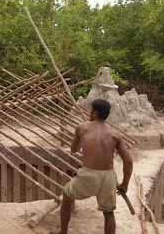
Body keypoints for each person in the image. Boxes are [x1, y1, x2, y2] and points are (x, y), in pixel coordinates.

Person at [51, 99, 133, 234]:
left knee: (66, 196)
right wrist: (125, 184)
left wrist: (80, 139)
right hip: (108, 176)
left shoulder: (82, 128)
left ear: (94, 113)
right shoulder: (115, 135)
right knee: (108, 212)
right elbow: (128, 161)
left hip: (88, 174)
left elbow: (74, 149)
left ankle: (63, 232)